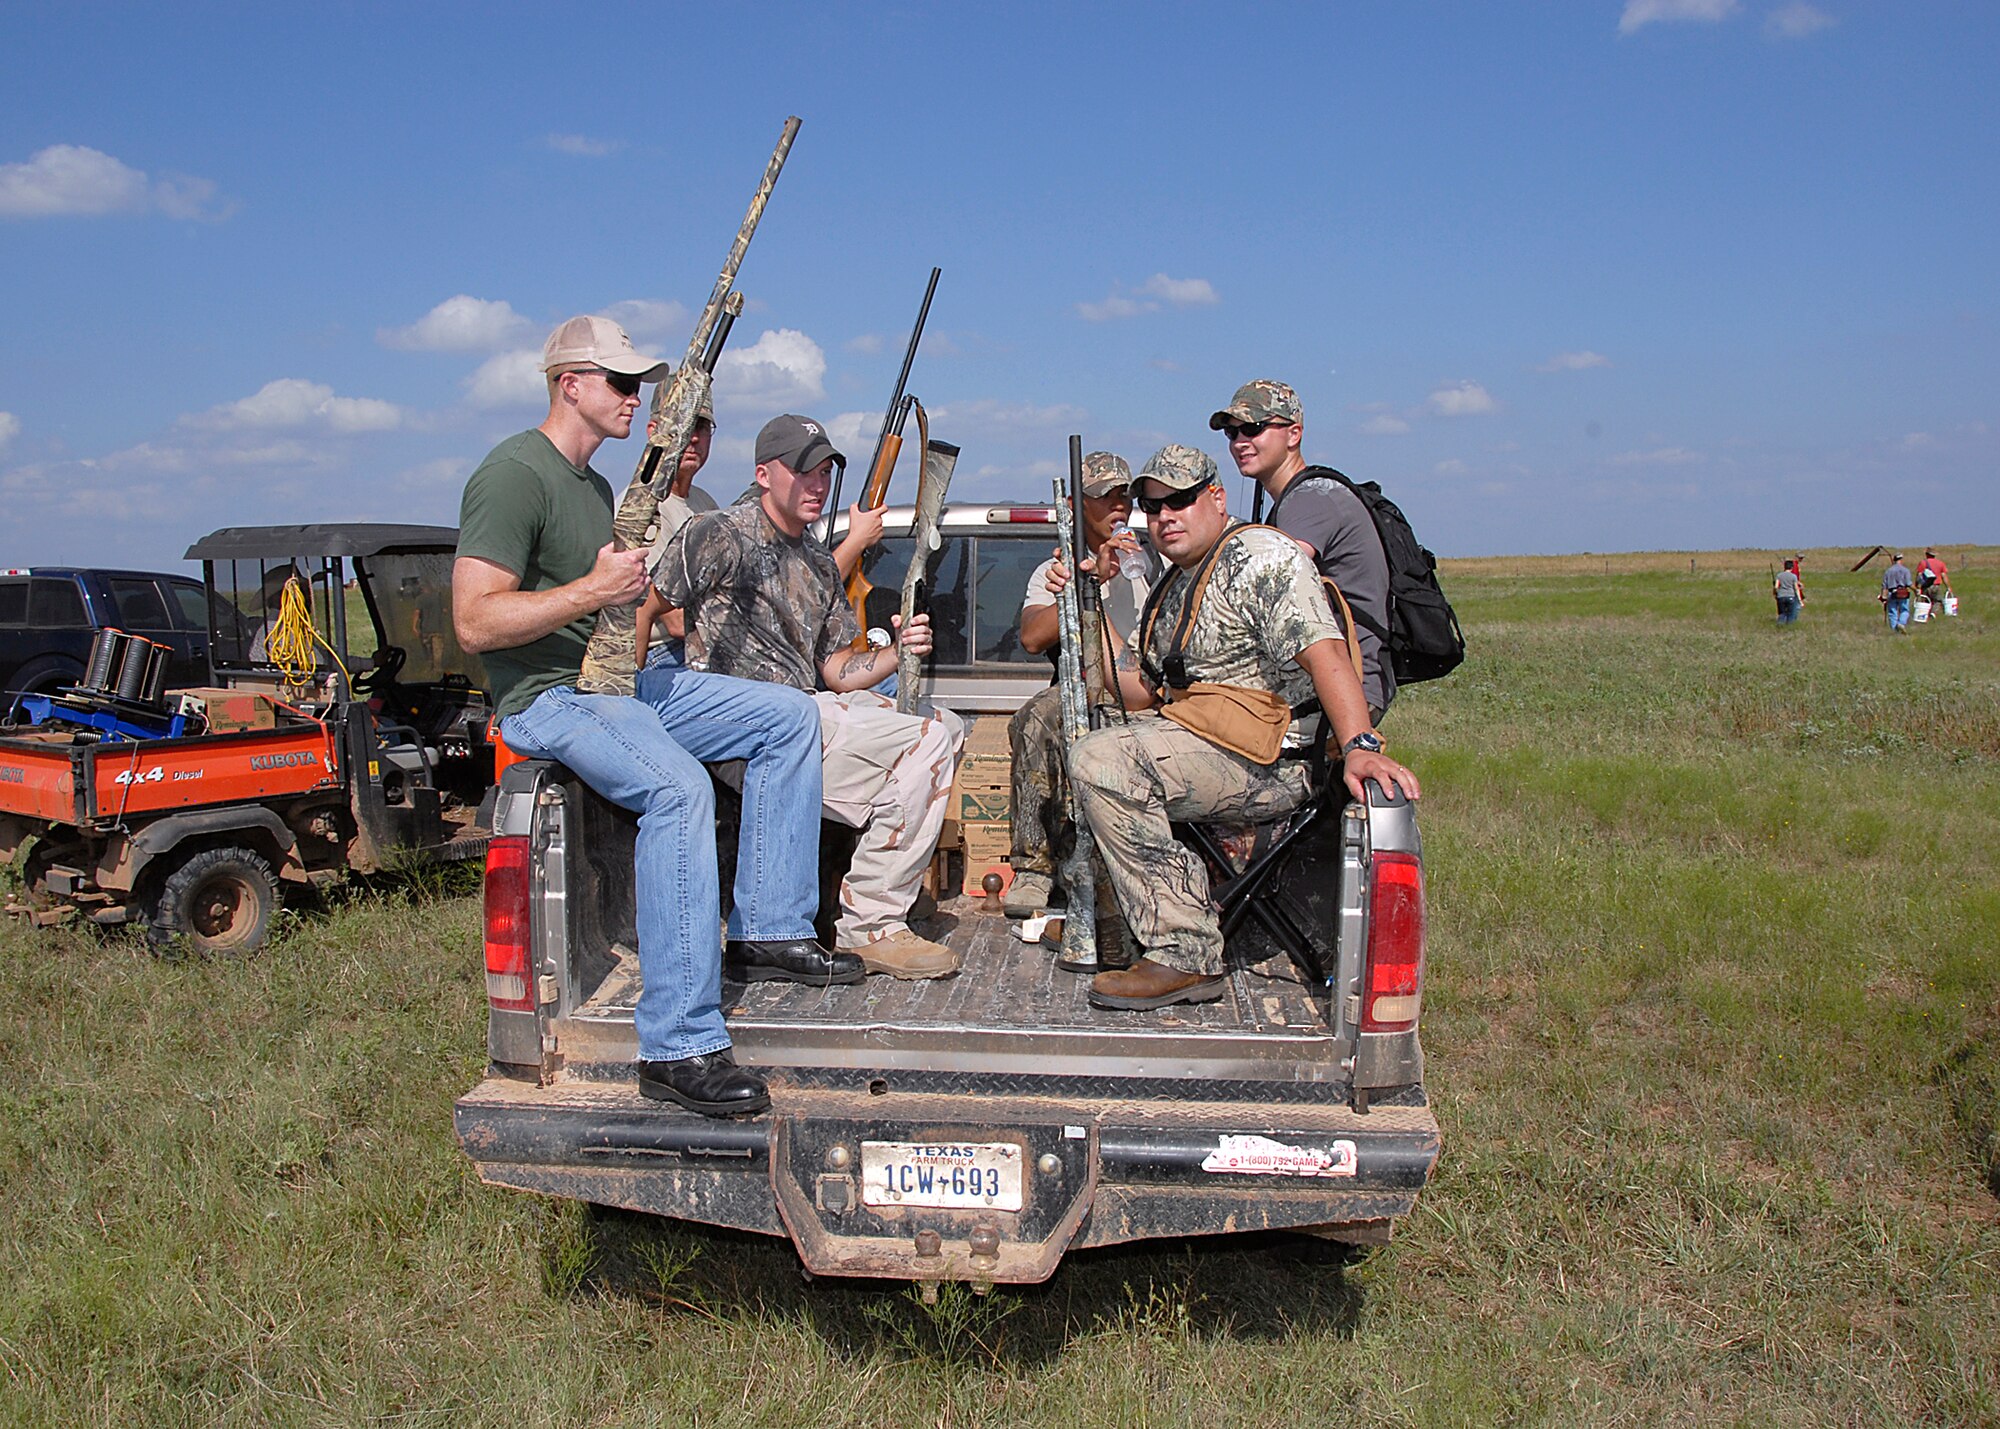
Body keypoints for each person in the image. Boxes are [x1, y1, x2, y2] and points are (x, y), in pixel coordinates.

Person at [453, 316, 847, 1120]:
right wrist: (596, 592)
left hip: (620, 682)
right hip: (550, 697)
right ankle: (678, 1043)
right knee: (678, 792)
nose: (640, 398)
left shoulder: (598, 487)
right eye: (623, 383)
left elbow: (615, 608)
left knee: (786, 717)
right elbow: (474, 622)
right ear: (570, 384)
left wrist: (623, 602)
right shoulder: (512, 474)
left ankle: (769, 924)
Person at [1067, 444, 1418, 1012]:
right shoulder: (1176, 583)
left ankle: (1185, 953)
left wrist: (1359, 746)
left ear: (1216, 497)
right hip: (1206, 740)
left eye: (1180, 500)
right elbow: (1140, 691)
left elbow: (1325, 652)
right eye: (1151, 507)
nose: (1164, 517)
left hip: (1274, 762)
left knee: (1104, 761)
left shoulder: (1260, 557)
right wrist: (1087, 599)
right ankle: (1120, 918)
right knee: (1083, 736)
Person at [657, 413, 966, 979]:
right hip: (741, 729)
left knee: (946, 724)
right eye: (803, 472)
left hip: (807, 711)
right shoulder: (719, 532)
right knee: (922, 740)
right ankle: (870, 924)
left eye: (825, 471)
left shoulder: (818, 558)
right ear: (763, 474)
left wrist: (898, 650)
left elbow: (837, 669)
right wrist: (623, 697)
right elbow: (647, 605)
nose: (817, 485)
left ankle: (874, 882)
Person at [1002, 451, 1161, 920]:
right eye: (1103, 495)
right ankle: (1033, 868)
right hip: (1081, 694)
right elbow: (1032, 636)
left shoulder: (1155, 559)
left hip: (1143, 696)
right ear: (1075, 505)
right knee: (1037, 717)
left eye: (1124, 495)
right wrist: (1085, 584)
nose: (1118, 505)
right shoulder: (1055, 571)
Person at [1211, 379, 1394, 721]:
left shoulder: (1310, 499)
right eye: (1231, 434)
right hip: (1329, 679)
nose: (1240, 442)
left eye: (1253, 428)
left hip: (1344, 689)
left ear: (1294, 434)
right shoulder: (1297, 499)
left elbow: (1262, 581)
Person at [1881, 553, 1914, 633]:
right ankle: (1901, 623)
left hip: (1892, 593)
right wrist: (1916, 590)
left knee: (1892, 612)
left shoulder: (1888, 571)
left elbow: (1884, 586)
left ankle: (1894, 630)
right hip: (1903, 593)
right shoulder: (1905, 570)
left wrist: (1883, 597)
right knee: (1904, 610)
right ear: (1901, 560)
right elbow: (1909, 583)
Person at [1773, 559, 1804, 625]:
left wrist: (1775, 594)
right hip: (1790, 596)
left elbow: (1776, 587)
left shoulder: (1779, 575)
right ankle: (1789, 627)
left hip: (1781, 596)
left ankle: (1780, 626)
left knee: (1782, 613)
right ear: (1792, 567)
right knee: (1790, 614)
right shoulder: (1793, 576)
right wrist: (1800, 600)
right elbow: (1796, 588)